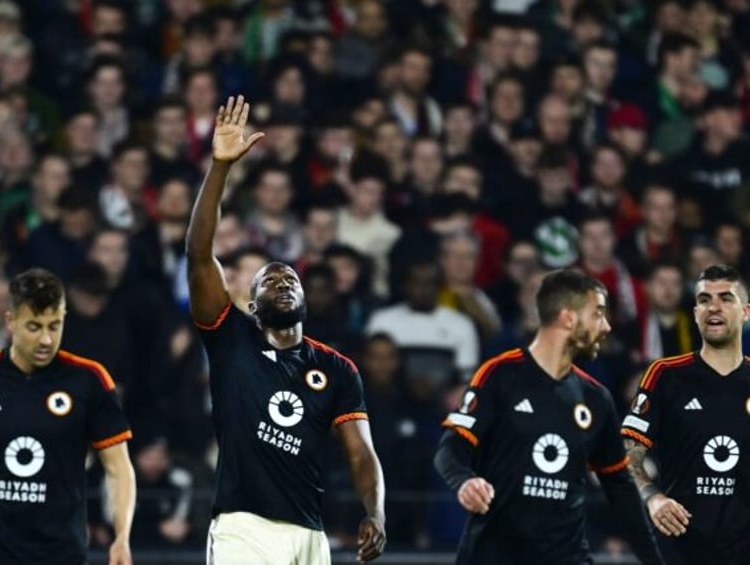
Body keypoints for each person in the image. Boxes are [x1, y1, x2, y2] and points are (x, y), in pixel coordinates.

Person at [186, 95, 386, 564]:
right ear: (251, 305)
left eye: (290, 278)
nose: (282, 281)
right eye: (268, 280)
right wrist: (220, 169)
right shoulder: (230, 337)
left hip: (309, 534)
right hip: (243, 527)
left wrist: (375, 512)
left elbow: (361, 454)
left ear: (305, 300)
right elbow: (198, 255)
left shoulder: (336, 369)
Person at [434, 269, 664, 565]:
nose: (606, 326)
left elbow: (619, 487)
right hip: (496, 554)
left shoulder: (596, 398)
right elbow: (450, 449)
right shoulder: (500, 374)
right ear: (568, 318)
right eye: (597, 314)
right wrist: (464, 481)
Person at [0, 268, 136, 565]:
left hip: (59, 554)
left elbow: (119, 467)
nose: (46, 339)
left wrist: (122, 536)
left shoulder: (90, 381)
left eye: (54, 326)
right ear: (11, 321)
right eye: (34, 326)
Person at [622, 264, 750, 564]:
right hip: (680, 548)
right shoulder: (665, 374)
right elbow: (627, 453)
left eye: (725, 298)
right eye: (704, 300)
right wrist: (652, 498)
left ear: (745, 312)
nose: (713, 307)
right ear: (695, 314)